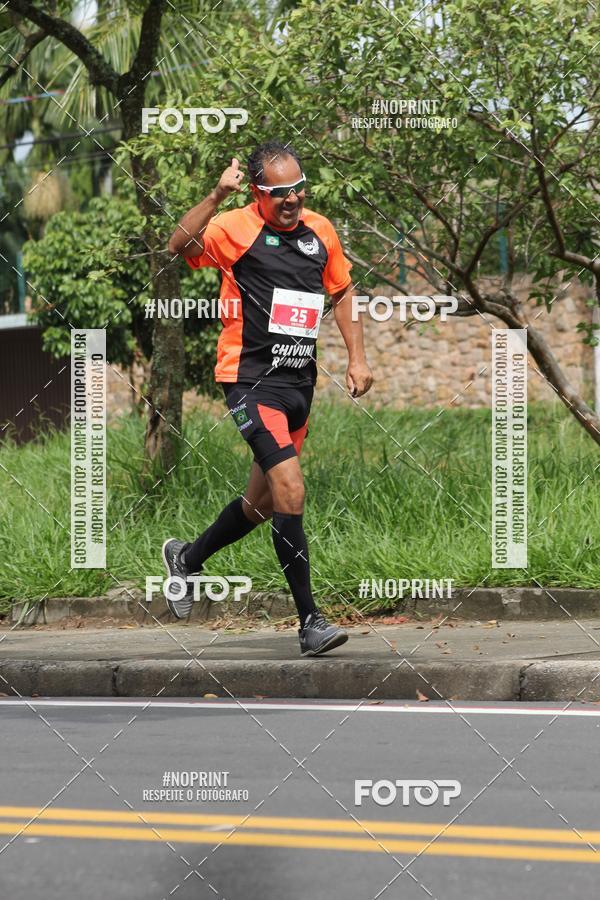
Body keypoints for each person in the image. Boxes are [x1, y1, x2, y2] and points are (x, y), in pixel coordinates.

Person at [164, 140, 373, 656]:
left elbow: (342, 292)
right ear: (257, 192)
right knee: (291, 490)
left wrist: (358, 358)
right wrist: (216, 195)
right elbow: (179, 244)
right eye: (280, 192)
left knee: (260, 505)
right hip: (249, 381)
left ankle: (186, 559)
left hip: (299, 385)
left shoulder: (320, 231)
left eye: (299, 188)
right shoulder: (233, 227)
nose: (292, 199)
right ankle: (310, 623)